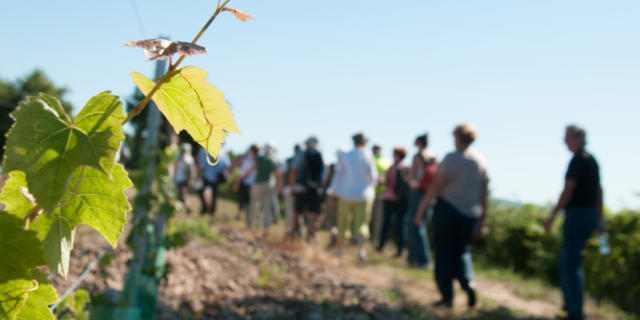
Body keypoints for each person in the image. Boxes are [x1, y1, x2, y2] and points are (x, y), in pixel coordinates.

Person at [415, 124, 489, 308]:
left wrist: (421, 210)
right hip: (470, 214)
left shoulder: (452, 159)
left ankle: (447, 296)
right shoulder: (481, 161)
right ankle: (467, 282)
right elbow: (484, 193)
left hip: (448, 210)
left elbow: (435, 187)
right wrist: (483, 219)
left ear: (457, 137)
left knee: (443, 253)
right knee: (462, 251)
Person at [543, 125, 603, 320]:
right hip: (590, 216)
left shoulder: (577, 161)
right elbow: (599, 192)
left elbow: (568, 190)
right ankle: (571, 305)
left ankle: (575, 313)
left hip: (577, 216)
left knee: (570, 264)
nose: (564, 141)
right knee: (570, 262)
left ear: (578, 138)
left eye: (567, 137)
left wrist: (552, 216)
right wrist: (600, 219)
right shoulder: (592, 161)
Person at [329, 133, 378, 261]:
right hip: (364, 195)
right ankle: (361, 251)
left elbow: (338, 175)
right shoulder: (368, 156)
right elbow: (374, 177)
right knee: (362, 224)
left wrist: (333, 192)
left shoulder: (346, 156)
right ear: (364, 142)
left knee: (343, 223)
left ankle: (339, 251)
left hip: (346, 195)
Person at [407, 134, 435, 267]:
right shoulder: (433, 155)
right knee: (421, 224)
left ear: (418, 142)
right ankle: (418, 258)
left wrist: (411, 181)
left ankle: (419, 259)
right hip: (429, 193)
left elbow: (412, 176)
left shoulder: (418, 156)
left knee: (415, 224)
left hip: (418, 192)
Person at [288, 137, 325, 240]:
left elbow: (294, 171)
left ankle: (295, 234)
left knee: (298, 212)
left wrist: (292, 188)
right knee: (312, 213)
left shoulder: (302, 154)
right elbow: (323, 176)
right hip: (315, 189)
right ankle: (310, 235)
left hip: (301, 188)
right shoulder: (320, 156)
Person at [377, 147, 409, 257]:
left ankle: (381, 245)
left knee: (386, 223)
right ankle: (400, 248)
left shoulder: (393, 168)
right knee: (400, 225)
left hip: (390, 198)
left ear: (397, 155)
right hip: (402, 200)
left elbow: (386, 182)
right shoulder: (406, 167)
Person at [247, 143, 281, 230]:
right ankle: (266, 228)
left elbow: (253, 168)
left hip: (258, 184)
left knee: (253, 205)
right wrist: (278, 185)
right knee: (267, 208)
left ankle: (250, 225)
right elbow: (278, 174)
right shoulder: (275, 160)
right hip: (270, 185)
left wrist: (245, 176)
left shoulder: (260, 158)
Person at [196, 146, 230, 215]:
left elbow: (202, 166)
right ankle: (212, 211)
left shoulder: (204, 151)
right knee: (214, 195)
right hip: (217, 177)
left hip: (207, 176)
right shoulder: (223, 151)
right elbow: (227, 164)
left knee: (201, 191)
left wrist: (198, 176)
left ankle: (204, 208)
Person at [370, 144, 391, 246]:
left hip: (372, 192)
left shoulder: (370, 160)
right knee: (378, 218)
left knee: (368, 217)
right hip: (381, 193)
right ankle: (375, 239)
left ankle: (364, 239)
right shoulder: (386, 162)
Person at [234, 145, 259, 221]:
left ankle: (248, 216)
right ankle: (246, 216)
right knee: (244, 200)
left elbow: (242, 173)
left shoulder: (250, 161)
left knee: (245, 201)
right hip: (249, 183)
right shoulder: (254, 161)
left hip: (247, 183)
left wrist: (237, 182)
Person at [280, 145, 301, 233]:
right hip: (300, 189)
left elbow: (282, 173)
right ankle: (297, 232)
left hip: (289, 188)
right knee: (298, 213)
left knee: (289, 211)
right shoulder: (303, 160)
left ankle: (289, 231)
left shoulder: (288, 161)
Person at [174, 143, 196, 212]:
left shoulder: (187, 159)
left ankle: (188, 209)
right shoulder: (183, 158)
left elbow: (190, 172)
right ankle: (180, 209)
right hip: (181, 180)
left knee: (183, 196)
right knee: (181, 196)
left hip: (184, 180)